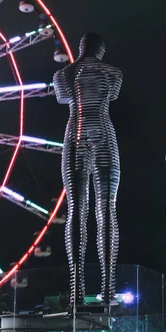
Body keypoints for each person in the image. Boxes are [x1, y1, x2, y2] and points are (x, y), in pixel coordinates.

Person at [53, 33, 122, 306]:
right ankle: (108, 289)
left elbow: (62, 98)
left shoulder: (63, 74)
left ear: (80, 48)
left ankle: (76, 291)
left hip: (75, 134)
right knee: (107, 208)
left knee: (76, 209)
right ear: (101, 49)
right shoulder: (114, 73)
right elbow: (112, 96)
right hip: (104, 134)